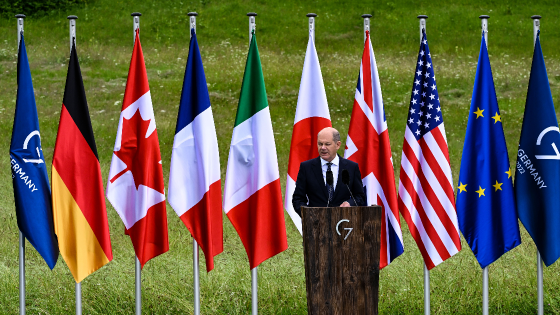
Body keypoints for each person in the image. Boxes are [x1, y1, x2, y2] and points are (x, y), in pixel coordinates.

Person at [292, 127, 366, 217]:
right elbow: (298, 198)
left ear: (337, 145)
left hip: (344, 223)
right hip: (315, 224)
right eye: (320, 144)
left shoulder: (351, 167)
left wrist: (350, 203)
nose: (323, 148)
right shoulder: (306, 167)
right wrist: (308, 215)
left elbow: (359, 196)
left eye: (327, 144)